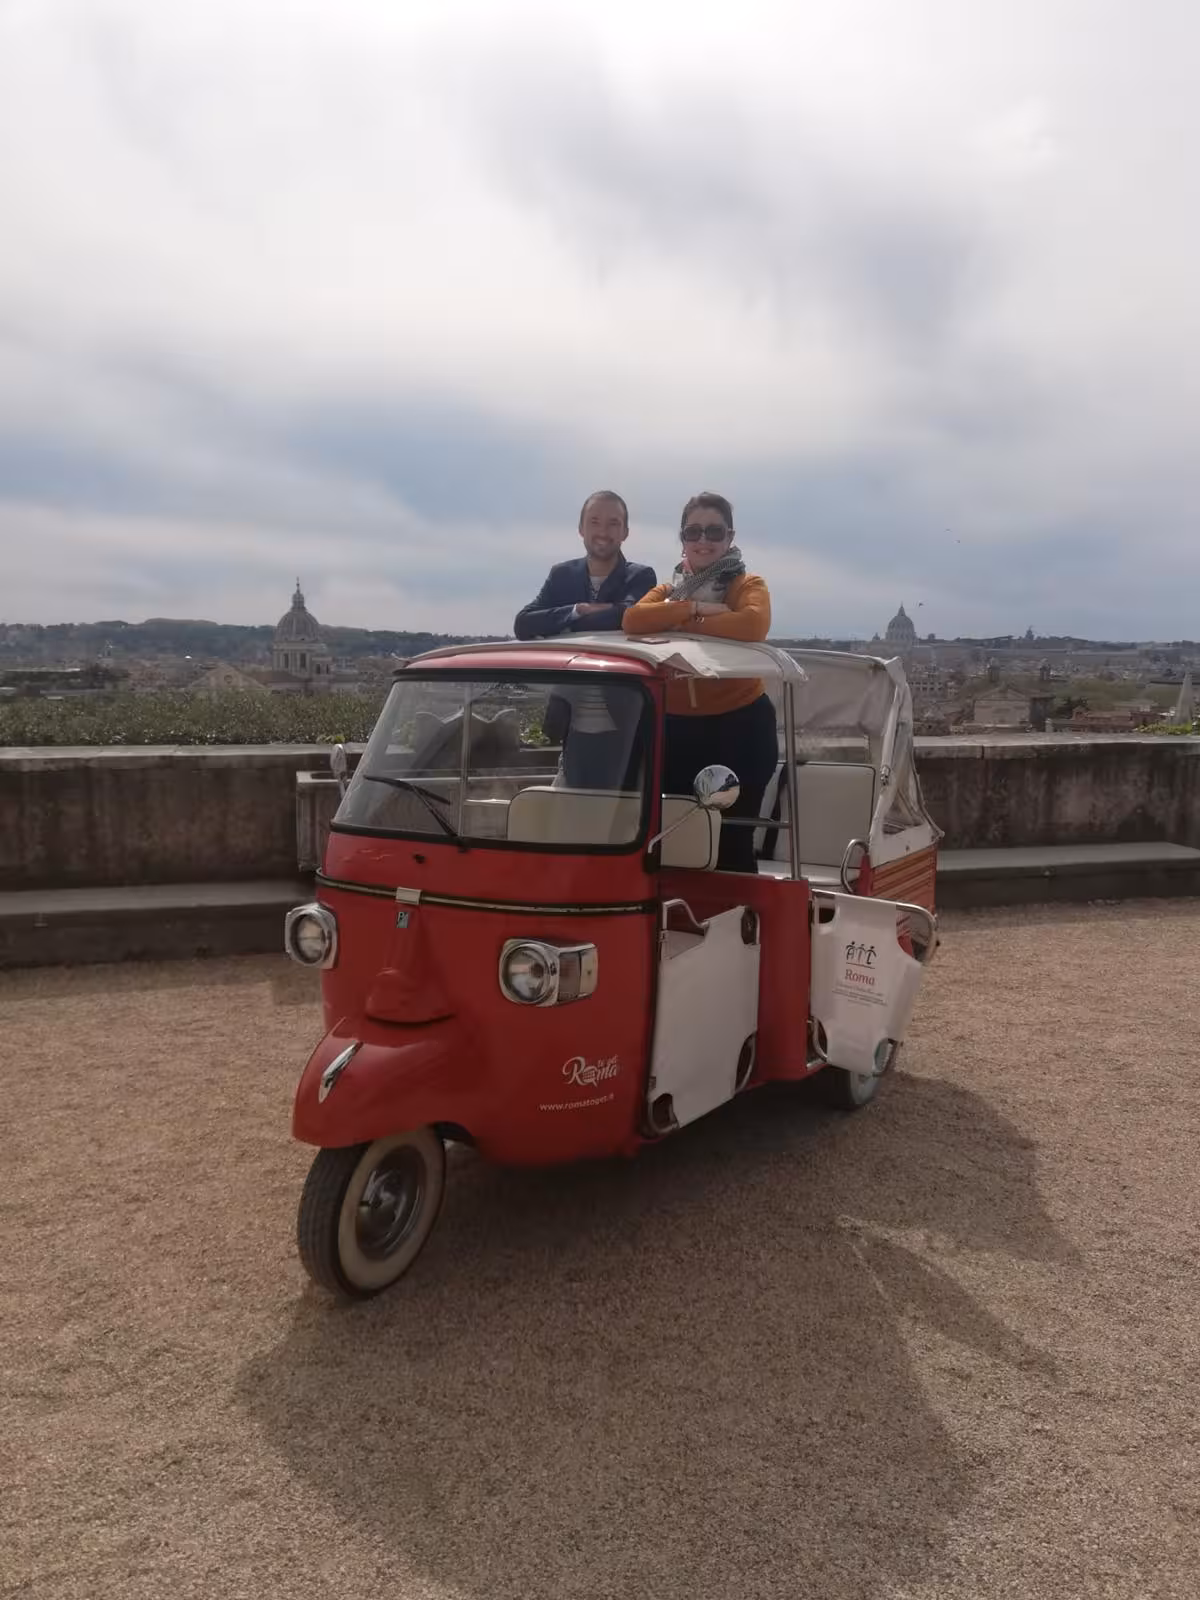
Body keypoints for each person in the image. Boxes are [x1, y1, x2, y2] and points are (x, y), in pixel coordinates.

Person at [622, 491, 777, 872]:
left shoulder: (746, 584)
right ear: (682, 539)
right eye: (693, 532)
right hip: (677, 727)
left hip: (739, 724)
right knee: (677, 836)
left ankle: (742, 923)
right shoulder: (669, 589)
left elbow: (752, 623)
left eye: (714, 531)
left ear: (730, 537)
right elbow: (633, 621)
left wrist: (677, 621)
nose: (703, 541)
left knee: (734, 837)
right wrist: (694, 608)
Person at [514, 491, 657, 790]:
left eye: (613, 523)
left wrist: (563, 624)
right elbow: (524, 623)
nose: (603, 532)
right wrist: (576, 610)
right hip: (573, 726)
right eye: (594, 522)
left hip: (625, 727)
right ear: (581, 528)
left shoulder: (640, 577)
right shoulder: (562, 575)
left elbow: (626, 616)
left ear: (625, 532)